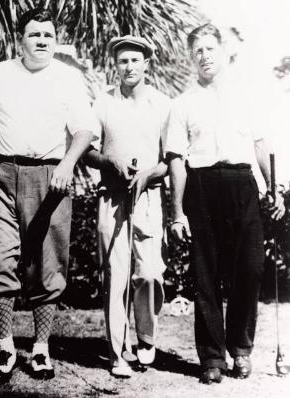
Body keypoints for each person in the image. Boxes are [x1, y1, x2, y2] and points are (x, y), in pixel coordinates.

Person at [0, 7, 97, 384]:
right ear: (20, 40)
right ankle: (4, 347)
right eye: (33, 35)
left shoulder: (68, 78)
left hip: (51, 177)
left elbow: (85, 130)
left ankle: (40, 349)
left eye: (47, 36)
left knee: (47, 264)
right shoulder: (1, 73)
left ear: (55, 40)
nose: (40, 41)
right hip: (0, 175)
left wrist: (68, 165)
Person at [166, 23, 285, 384]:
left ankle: (241, 349)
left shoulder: (245, 97)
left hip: (242, 184)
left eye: (209, 49)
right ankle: (212, 358)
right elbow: (175, 159)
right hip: (201, 186)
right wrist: (176, 212)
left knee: (249, 269)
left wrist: (274, 188)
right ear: (192, 57)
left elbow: (262, 144)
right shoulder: (182, 103)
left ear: (223, 52)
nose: (204, 56)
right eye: (198, 50)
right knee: (205, 274)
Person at [85, 36, 170, 378]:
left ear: (146, 63)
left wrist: (149, 174)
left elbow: (171, 160)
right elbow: (88, 150)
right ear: (115, 65)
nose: (129, 67)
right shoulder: (103, 102)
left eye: (136, 60)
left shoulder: (162, 104)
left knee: (148, 273)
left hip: (148, 196)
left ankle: (146, 340)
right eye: (123, 61)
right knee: (115, 275)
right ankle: (117, 351)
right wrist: (108, 162)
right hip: (112, 196)